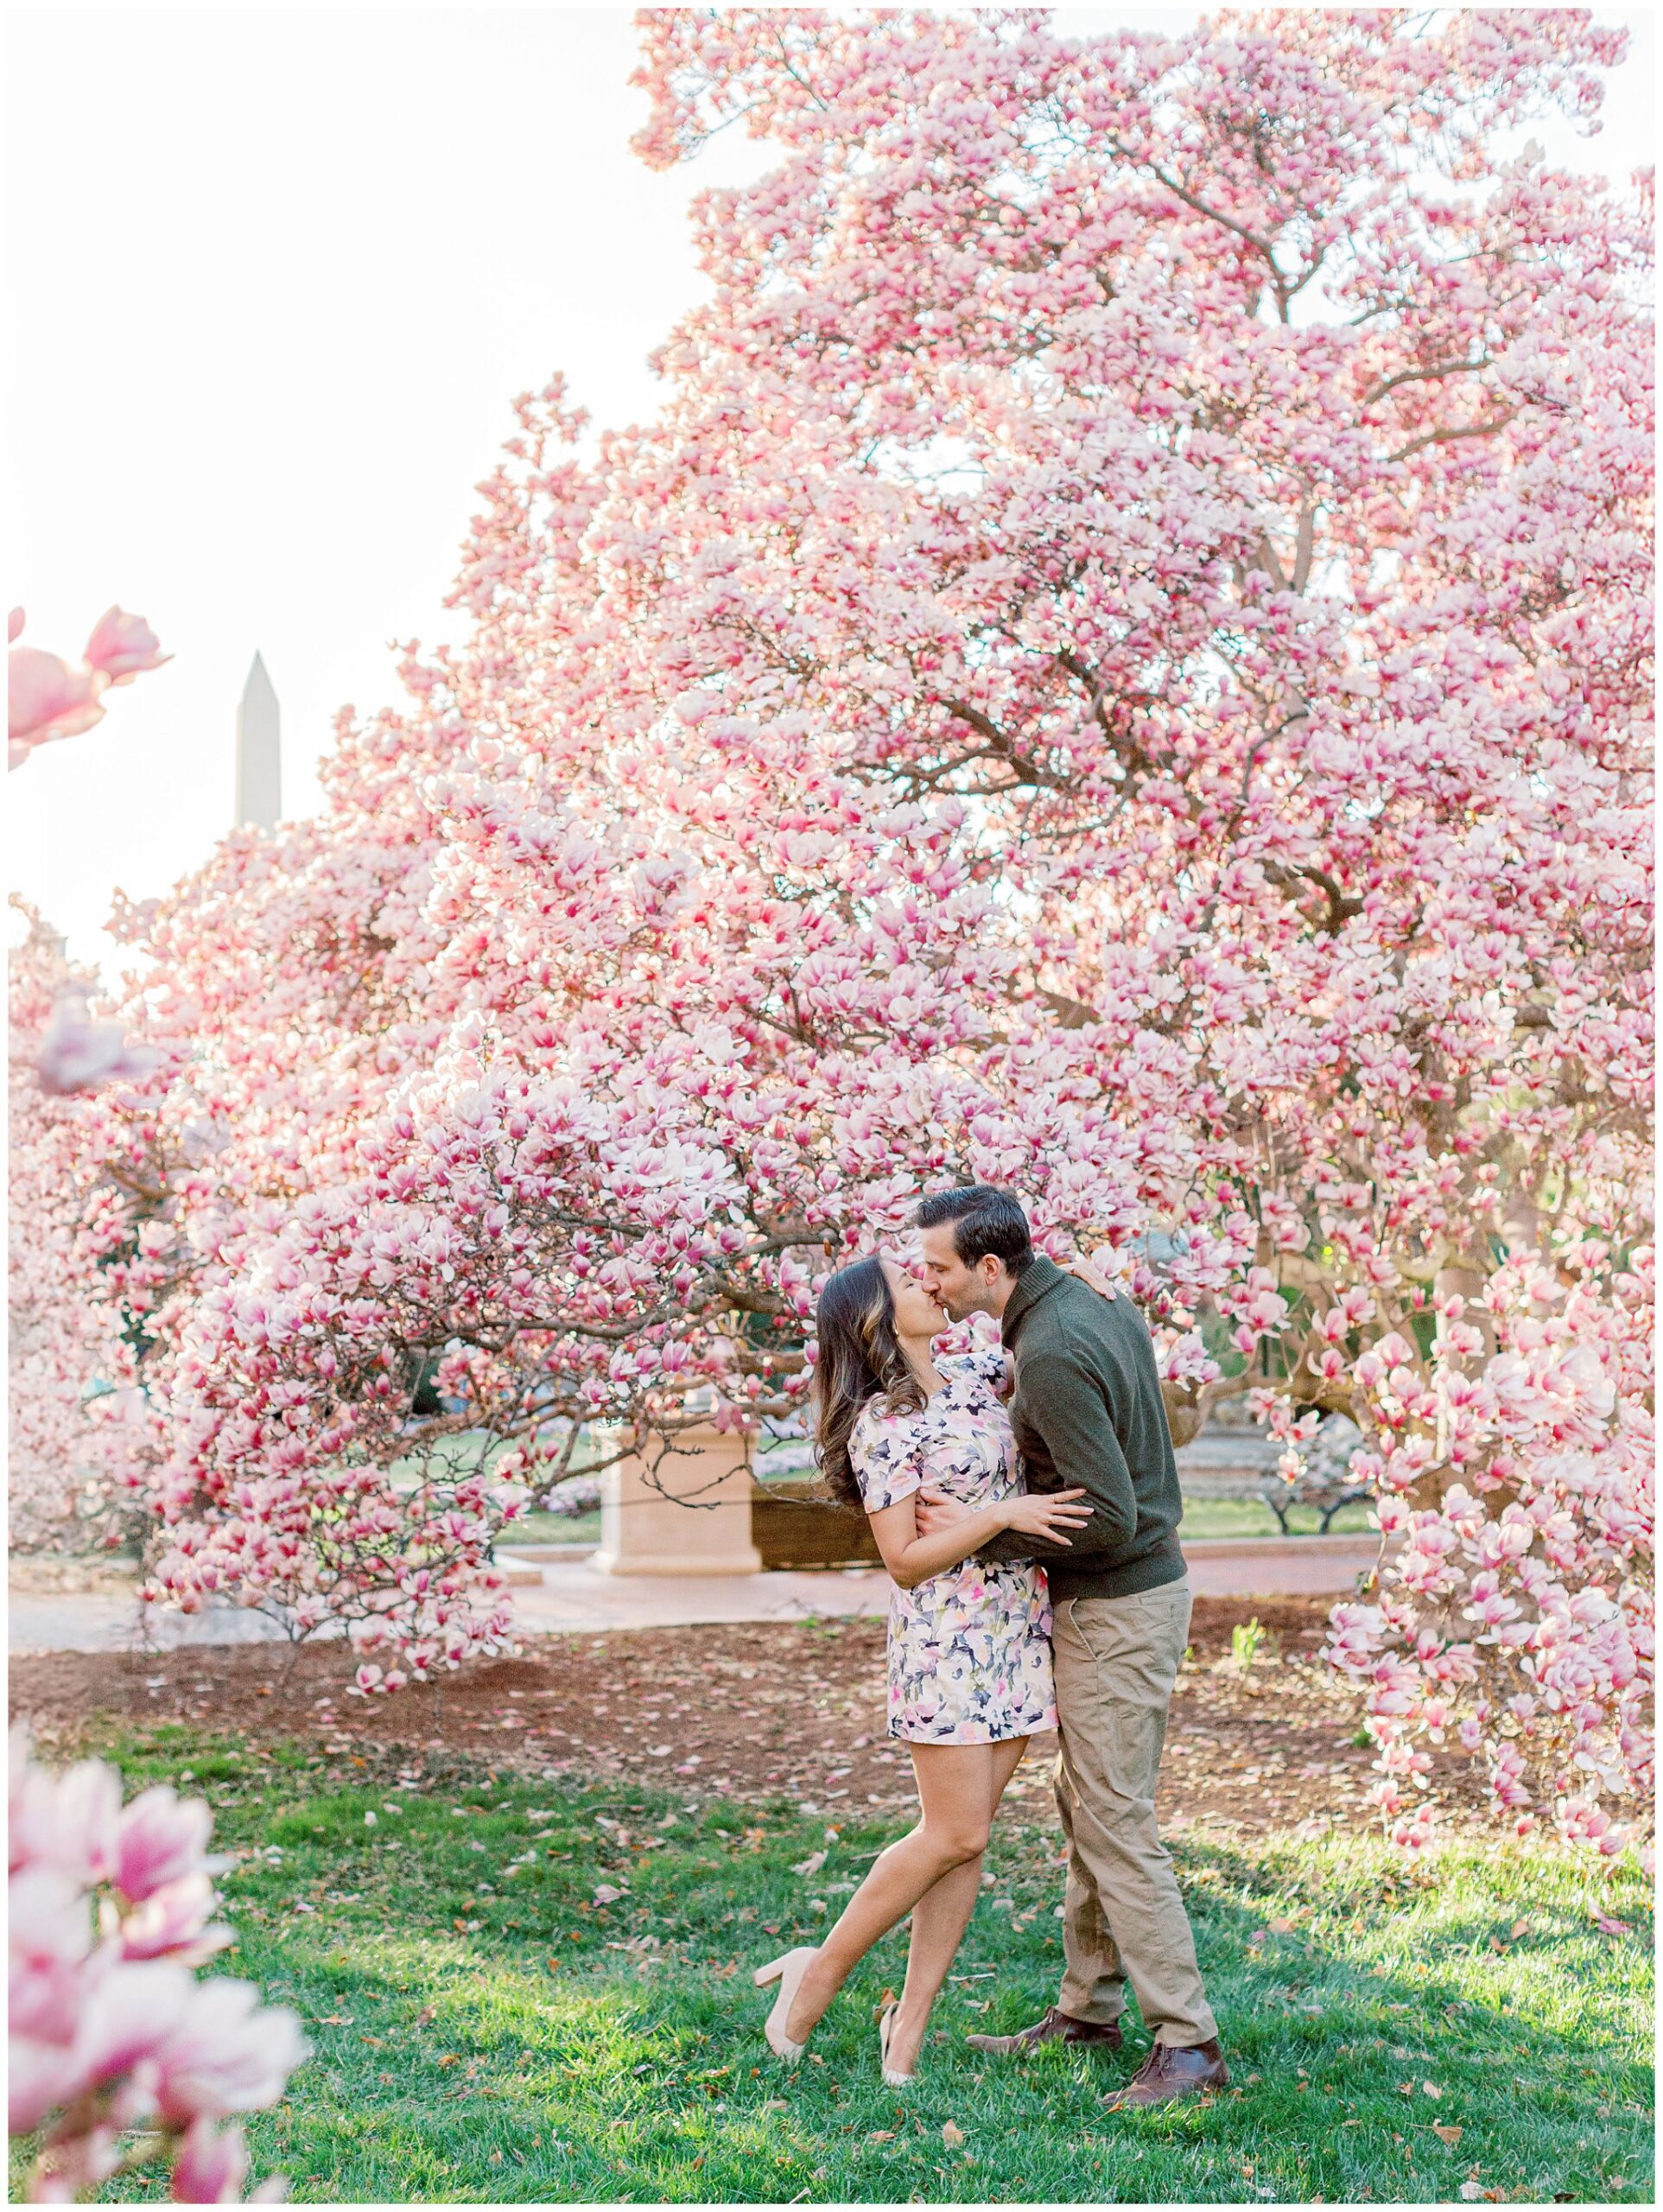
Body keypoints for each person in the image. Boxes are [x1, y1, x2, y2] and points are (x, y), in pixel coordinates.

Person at [911, 1185, 1228, 2109]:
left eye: (937, 1266)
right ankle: (1086, 2008)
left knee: (1114, 1819)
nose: (926, 1279)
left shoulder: (1048, 1347)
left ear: (990, 1268)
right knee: (1088, 1801)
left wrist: (981, 1532)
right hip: (1132, 1598)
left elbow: (1106, 1514)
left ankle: (1188, 2043)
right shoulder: (1086, 1298)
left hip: (1118, 1606)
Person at [752, 1251, 1094, 2084]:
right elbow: (903, 1558)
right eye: (911, 1284)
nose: (931, 1286)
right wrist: (1001, 1514)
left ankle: (908, 2027)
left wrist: (1087, 1286)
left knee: (961, 1843)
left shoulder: (977, 1369)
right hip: (945, 1641)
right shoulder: (881, 1423)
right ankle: (819, 1970)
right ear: (876, 1319)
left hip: (1015, 1626)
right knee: (955, 1831)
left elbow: (1055, 1338)